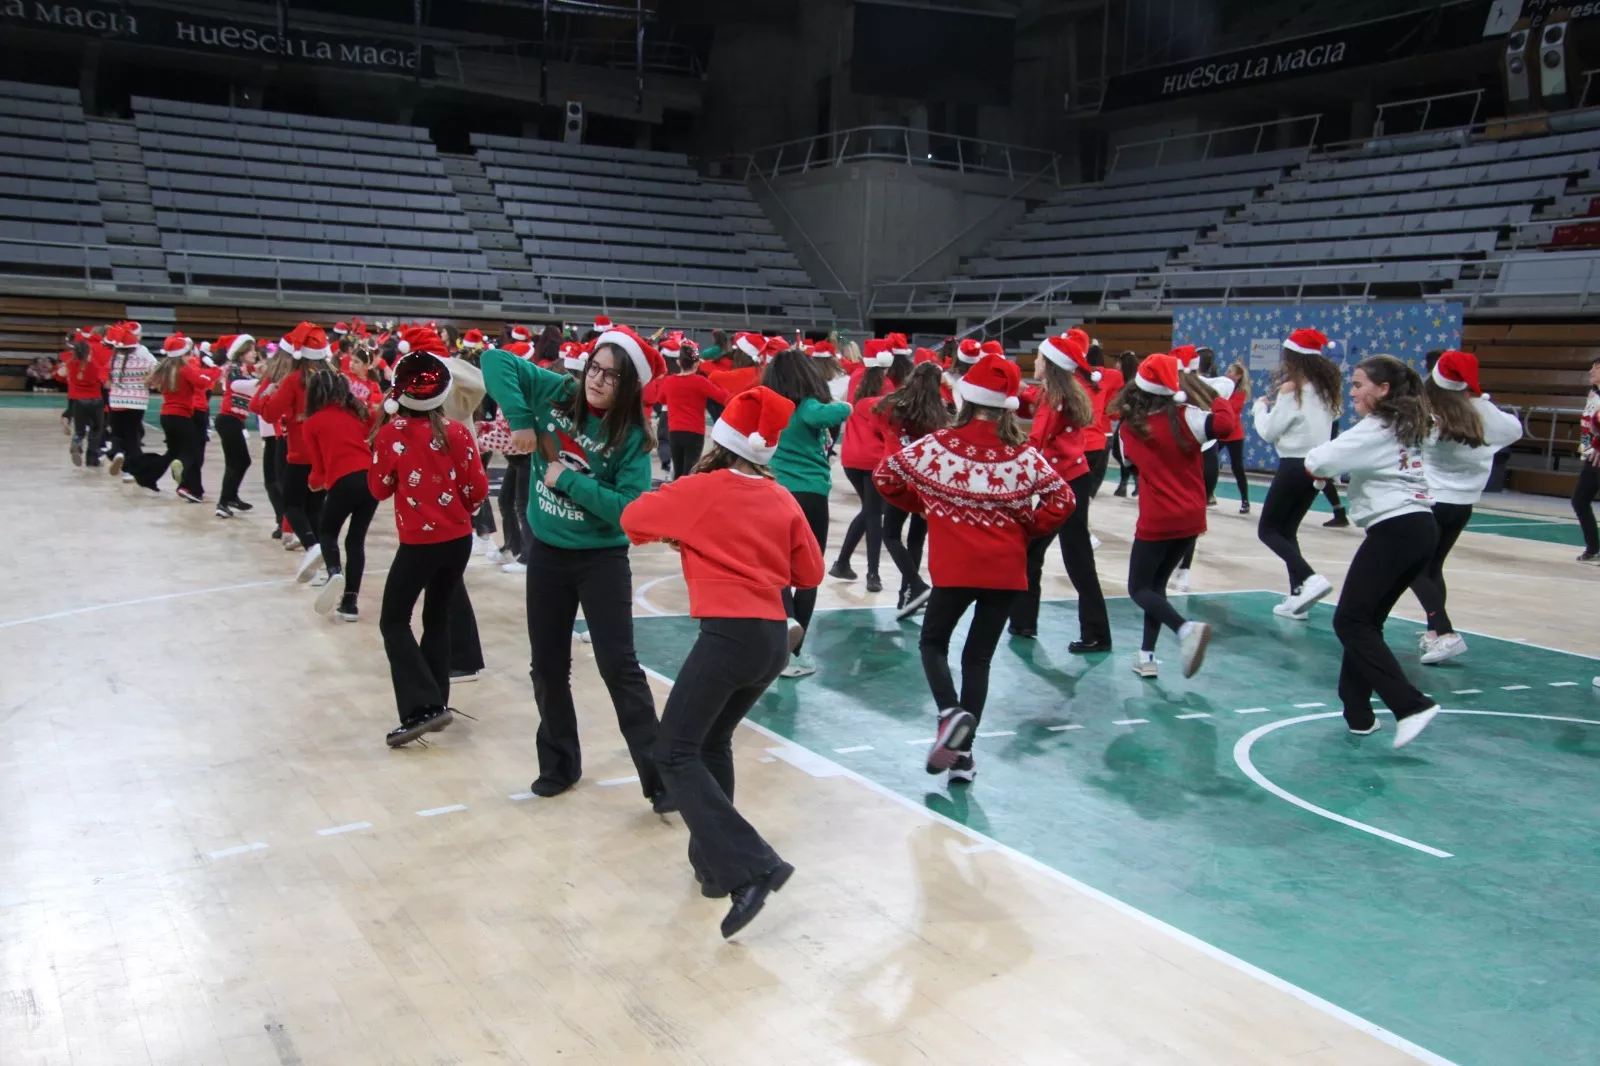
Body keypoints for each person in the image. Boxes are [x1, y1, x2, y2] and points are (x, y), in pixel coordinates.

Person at [621, 387, 822, 939]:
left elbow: (634, 518)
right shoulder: (782, 498)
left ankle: (750, 866)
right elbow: (810, 574)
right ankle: (712, 864)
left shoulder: (703, 488)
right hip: (772, 640)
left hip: (729, 636)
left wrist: (686, 529)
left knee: (673, 750)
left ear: (721, 439)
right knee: (711, 743)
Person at [481, 322, 673, 811]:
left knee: (619, 668)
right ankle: (560, 765)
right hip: (547, 553)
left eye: (611, 375)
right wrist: (522, 419)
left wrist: (566, 479)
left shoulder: (633, 438)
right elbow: (494, 361)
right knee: (546, 666)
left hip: (602, 561)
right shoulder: (559, 391)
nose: (597, 380)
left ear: (628, 385)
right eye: (595, 368)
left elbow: (628, 509)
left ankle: (662, 781)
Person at [875, 353, 1073, 784]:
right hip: (1006, 570)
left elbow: (885, 477)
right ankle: (963, 756)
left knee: (932, 643)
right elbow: (1063, 500)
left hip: (955, 568)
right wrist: (1028, 530)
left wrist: (930, 508)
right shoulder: (1024, 454)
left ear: (964, 400)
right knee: (978, 659)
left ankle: (949, 713)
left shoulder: (935, 446)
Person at [1305, 355, 1442, 748]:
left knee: (1349, 623)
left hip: (1396, 529)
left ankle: (1411, 705)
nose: (1352, 392)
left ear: (1383, 390)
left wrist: (1315, 469)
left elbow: (1320, 458)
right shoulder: (1409, 421)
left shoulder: (1379, 425)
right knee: (1364, 622)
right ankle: (1358, 713)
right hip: (1417, 527)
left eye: (1359, 384)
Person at [369, 335, 490, 747]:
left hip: (418, 543)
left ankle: (423, 706)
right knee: (436, 618)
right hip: (458, 540)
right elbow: (477, 490)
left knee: (392, 620)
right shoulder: (458, 432)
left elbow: (379, 489)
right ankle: (437, 701)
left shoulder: (390, 434)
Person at [1114, 353, 1234, 680]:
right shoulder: (1188, 417)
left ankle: (1184, 629)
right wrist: (1219, 398)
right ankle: (1146, 656)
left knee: (1139, 589)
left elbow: (1128, 464)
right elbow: (1225, 425)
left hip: (1157, 519)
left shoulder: (1128, 428)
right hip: (1191, 518)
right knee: (1157, 588)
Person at [1409, 350, 1525, 663]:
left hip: (1432, 502)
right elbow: (1514, 430)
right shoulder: (1481, 412)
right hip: (1463, 506)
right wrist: (1483, 404)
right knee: (1433, 568)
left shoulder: (1430, 412)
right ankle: (1434, 632)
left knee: (1413, 568)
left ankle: (1446, 633)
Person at [1010, 332, 1112, 653]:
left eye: (1039, 358)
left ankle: (1096, 634)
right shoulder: (1055, 394)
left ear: (1050, 364)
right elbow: (1030, 404)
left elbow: (1036, 441)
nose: (1035, 362)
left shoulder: (1055, 400)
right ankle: (1023, 621)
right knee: (1033, 551)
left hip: (1064, 487)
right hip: (1066, 484)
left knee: (1076, 559)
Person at [764, 345, 852, 677]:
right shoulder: (807, 405)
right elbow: (824, 415)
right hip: (809, 495)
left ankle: (783, 627)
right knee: (809, 573)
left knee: (779, 569)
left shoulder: (769, 407)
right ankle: (795, 653)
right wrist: (847, 404)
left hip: (774, 492)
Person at [1253, 328, 1340, 619]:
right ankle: (1297, 597)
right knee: (1288, 530)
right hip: (1317, 468)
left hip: (1293, 464)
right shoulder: (1326, 387)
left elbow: (1269, 432)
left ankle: (1310, 577)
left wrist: (1258, 410)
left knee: (1268, 530)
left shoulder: (1292, 389)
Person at [303, 369, 379, 622]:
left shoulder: (311, 423)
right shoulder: (355, 415)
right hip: (371, 480)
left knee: (327, 532)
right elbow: (374, 426)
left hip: (343, 480)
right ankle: (350, 603)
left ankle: (334, 570)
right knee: (355, 541)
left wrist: (314, 484)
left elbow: (318, 469)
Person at [876, 360, 946, 616]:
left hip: (898, 479)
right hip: (927, 482)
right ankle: (907, 596)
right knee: (917, 537)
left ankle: (915, 586)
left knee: (891, 534)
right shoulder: (939, 413)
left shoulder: (892, 405)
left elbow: (880, 429)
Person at [829, 338, 898, 587]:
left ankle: (842, 563)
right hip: (873, 457)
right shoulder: (887, 385)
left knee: (870, 510)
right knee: (874, 513)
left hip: (850, 457)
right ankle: (873, 574)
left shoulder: (855, 377)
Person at [1168, 344, 1237, 592]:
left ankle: (1172, 566)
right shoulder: (1214, 387)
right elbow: (1229, 384)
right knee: (1193, 518)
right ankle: (1183, 570)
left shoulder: (1171, 391)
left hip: (1185, 461)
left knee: (1170, 515)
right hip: (1208, 461)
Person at [260, 322, 333, 552]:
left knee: (291, 505)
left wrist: (266, 395)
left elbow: (270, 412)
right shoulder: (333, 377)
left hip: (300, 453)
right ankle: (325, 556)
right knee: (315, 507)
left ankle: (313, 548)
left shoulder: (294, 380)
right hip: (324, 453)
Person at [132, 333, 219, 501]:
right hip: (181, 416)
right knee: (191, 452)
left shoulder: (165, 368)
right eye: (188, 354)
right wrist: (215, 370)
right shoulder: (185, 369)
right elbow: (203, 383)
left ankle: (147, 476)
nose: (190, 357)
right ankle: (191, 488)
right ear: (183, 355)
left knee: (173, 450)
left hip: (166, 416)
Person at [649, 334, 727, 481]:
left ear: (679, 362)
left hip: (675, 431)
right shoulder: (700, 382)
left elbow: (660, 399)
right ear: (697, 363)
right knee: (690, 472)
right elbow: (722, 397)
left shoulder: (670, 381)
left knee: (678, 472)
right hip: (694, 432)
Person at [213, 335, 258, 518]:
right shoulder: (233, 368)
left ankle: (231, 497)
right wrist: (260, 382)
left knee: (241, 461)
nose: (255, 353)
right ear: (242, 352)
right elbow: (240, 385)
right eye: (251, 350)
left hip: (234, 421)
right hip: (228, 419)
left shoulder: (243, 369)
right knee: (235, 462)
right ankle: (223, 502)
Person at [105, 324, 156, 482]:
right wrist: (150, 381)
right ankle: (130, 471)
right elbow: (156, 368)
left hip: (117, 400)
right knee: (133, 436)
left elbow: (108, 378)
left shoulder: (114, 357)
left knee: (117, 432)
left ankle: (117, 452)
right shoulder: (143, 353)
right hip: (138, 401)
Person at [61, 330, 110, 469]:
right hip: (96, 400)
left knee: (80, 429)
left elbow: (61, 373)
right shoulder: (95, 366)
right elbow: (105, 383)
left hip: (79, 401)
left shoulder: (71, 365)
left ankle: (77, 443)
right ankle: (92, 458)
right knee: (96, 430)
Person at [1576, 355, 1600, 563]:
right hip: (1591, 456)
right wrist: (1586, 448)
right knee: (1579, 501)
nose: (1592, 372)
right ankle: (1593, 547)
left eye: (1597, 368)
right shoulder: (1592, 395)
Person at [1220, 360, 1251, 513]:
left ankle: (1245, 500)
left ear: (1238, 376)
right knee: (1204, 461)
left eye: (1230, 372)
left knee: (1237, 467)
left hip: (1234, 434)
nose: (1226, 374)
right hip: (1219, 431)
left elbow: (1230, 409)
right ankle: (1206, 494)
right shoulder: (1223, 388)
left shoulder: (1240, 392)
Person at [1111, 350, 1141, 497]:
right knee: (1120, 452)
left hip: (1131, 421)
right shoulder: (1123, 380)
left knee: (1120, 451)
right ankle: (1133, 480)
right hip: (1126, 420)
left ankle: (1127, 482)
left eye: (1119, 362)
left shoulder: (1133, 383)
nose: (1116, 365)